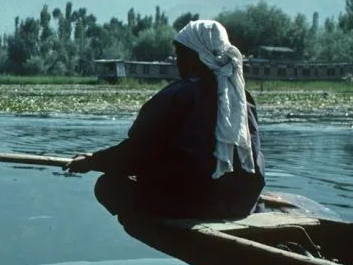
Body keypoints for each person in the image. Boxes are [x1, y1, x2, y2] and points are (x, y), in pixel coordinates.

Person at [64, 19, 266, 220]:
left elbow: (135, 153)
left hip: (196, 204)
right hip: (240, 205)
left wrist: (92, 161)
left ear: (194, 57)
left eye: (180, 54)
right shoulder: (242, 98)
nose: (177, 61)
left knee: (108, 186)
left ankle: (162, 227)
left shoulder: (179, 95)